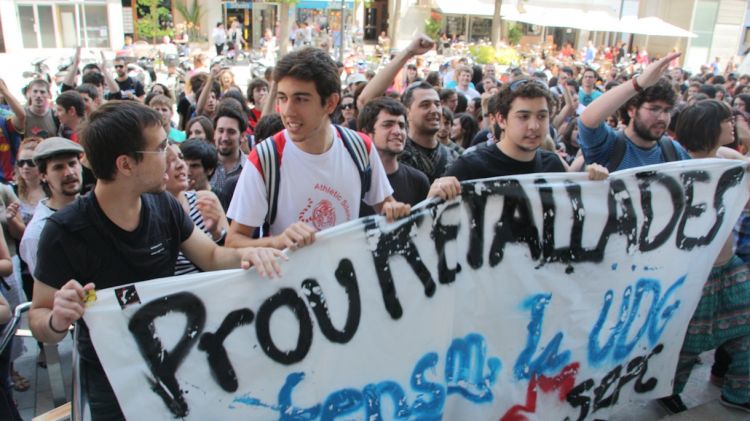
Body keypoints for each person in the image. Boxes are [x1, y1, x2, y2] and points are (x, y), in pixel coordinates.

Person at [28, 101, 285, 420]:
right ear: (125, 164)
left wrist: (260, 250)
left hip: (178, 366)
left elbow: (213, 256)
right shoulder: (63, 231)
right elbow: (39, 316)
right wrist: (57, 319)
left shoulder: (165, 206)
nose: (173, 156)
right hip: (113, 386)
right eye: (162, 147)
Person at [226, 47, 410, 250]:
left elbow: (385, 204)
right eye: (283, 98)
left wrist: (393, 209)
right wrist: (277, 242)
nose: (288, 111)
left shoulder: (360, 147)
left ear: (330, 103)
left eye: (301, 99)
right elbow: (234, 243)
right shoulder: (265, 159)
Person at [658, 99, 750, 414]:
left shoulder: (729, 158)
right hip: (691, 271)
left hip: (729, 265)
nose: (733, 124)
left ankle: (739, 391)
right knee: (688, 343)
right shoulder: (677, 167)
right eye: (728, 119)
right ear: (712, 126)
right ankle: (668, 389)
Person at [578, 52, 691, 171]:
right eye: (654, 109)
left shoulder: (673, 151)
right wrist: (639, 83)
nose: (662, 118)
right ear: (632, 110)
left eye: (667, 110)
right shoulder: (610, 145)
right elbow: (587, 120)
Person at [357, 97, 430, 217]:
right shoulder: (354, 181)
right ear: (366, 134)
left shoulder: (418, 181)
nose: (397, 131)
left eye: (401, 126)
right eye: (387, 125)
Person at [164, 145, 229, 275]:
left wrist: (216, 232)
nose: (180, 165)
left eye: (180, 157)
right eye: (169, 161)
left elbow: (230, 254)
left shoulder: (205, 200)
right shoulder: (152, 213)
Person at [210, 100, 247, 192]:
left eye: (231, 132)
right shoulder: (203, 166)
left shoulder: (251, 167)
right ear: (214, 133)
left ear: (242, 136)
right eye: (221, 131)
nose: (225, 137)